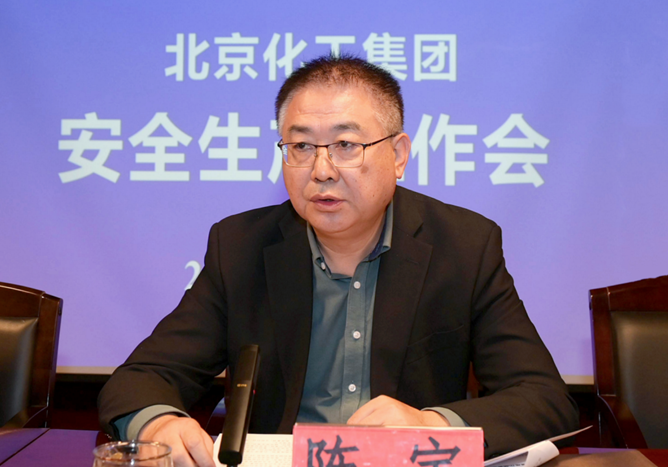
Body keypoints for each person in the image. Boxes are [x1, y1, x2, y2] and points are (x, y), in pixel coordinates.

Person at [98, 55, 578, 467]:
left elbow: (544, 398)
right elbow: (140, 379)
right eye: (301, 146)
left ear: (398, 155)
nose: (321, 170)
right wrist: (158, 423)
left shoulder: (464, 246)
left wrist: (431, 423)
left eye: (346, 145)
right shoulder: (240, 247)